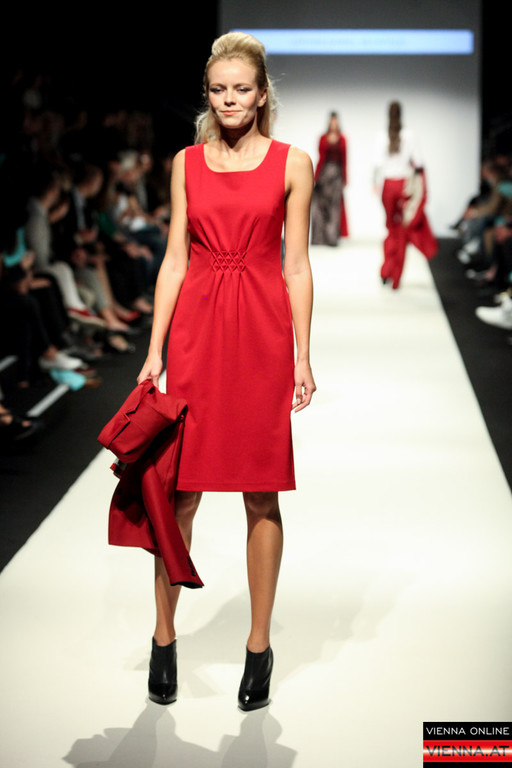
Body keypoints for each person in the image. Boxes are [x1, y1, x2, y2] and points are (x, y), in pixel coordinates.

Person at [136, 31, 316, 711]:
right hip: (197, 332)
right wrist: (154, 349)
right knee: (178, 492)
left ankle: (258, 646)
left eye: (242, 88)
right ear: (208, 95)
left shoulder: (293, 162)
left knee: (260, 493)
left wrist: (302, 353)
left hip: (262, 336)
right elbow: (174, 259)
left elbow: (296, 264)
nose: (230, 99)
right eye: (219, 89)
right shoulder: (186, 163)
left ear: (262, 93)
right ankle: (163, 636)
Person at [373, 101, 437, 289]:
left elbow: (377, 165)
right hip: (403, 187)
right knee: (401, 231)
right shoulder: (410, 135)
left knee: (390, 230)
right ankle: (396, 277)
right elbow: (419, 163)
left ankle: (385, 270)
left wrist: (374, 183)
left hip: (387, 187)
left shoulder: (381, 136)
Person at [310, 111, 348, 246]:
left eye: (335, 121)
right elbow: (320, 158)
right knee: (319, 206)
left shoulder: (342, 139)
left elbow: (344, 160)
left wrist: (345, 179)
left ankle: (332, 238)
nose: (333, 123)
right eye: (332, 121)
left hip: (336, 177)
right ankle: (319, 238)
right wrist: (316, 177)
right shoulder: (323, 138)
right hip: (324, 175)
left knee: (334, 207)